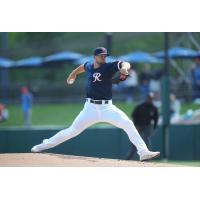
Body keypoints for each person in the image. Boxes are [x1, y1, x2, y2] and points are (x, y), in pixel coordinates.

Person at [31, 47, 160, 161]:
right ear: (95, 57)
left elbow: (124, 63)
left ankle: (143, 152)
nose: (104, 57)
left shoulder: (108, 67)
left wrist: (125, 69)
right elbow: (81, 68)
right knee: (71, 131)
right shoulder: (89, 65)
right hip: (90, 109)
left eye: (105, 55)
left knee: (128, 124)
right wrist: (72, 75)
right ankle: (42, 146)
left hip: (107, 108)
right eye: (101, 55)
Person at [126, 92, 159, 160]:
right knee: (135, 140)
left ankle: (147, 157)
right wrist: (135, 126)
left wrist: (154, 128)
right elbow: (133, 116)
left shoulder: (153, 108)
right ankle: (129, 157)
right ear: (146, 98)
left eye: (151, 99)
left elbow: (156, 119)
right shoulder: (140, 106)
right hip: (139, 125)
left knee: (147, 140)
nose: (150, 100)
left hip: (147, 126)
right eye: (149, 98)